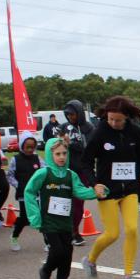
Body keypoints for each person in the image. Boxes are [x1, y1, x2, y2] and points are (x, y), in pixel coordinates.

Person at [81, 96, 140, 279]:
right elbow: (86, 162)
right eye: (110, 119)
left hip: (129, 189)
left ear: (126, 117)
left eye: (118, 120)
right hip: (108, 191)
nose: (113, 123)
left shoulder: (135, 132)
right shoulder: (100, 132)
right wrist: (94, 184)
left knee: (132, 229)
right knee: (112, 234)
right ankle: (90, 261)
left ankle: (128, 277)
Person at [25, 137, 100, 279]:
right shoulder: (43, 173)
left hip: (66, 221)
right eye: (58, 154)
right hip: (48, 221)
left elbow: (79, 191)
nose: (61, 157)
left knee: (67, 252)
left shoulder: (71, 175)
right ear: (49, 154)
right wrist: (35, 216)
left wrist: (96, 192)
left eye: (64, 153)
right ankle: (45, 271)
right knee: (57, 251)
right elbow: (29, 192)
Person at [60, 100, 95, 246]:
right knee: (63, 202)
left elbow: (89, 148)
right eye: (67, 115)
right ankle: (63, 232)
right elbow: (55, 145)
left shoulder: (88, 128)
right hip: (65, 170)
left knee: (78, 204)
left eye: (72, 114)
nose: (70, 117)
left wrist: (71, 144)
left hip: (81, 171)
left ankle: (74, 231)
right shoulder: (64, 127)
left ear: (79, 113)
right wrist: (61, 142)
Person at [5, 133, 43, 250]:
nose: (30, 150)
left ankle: (48, 242)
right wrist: (19, 186)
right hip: (23, 194)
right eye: (27, 147)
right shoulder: (15, 159)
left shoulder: (38, 159)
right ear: (22, 146)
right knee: (25, 218)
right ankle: (14, 236)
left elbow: (45, 172)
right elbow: (10, 175)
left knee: (42, 216)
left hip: (37, 193)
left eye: (32, 147)